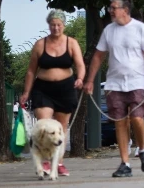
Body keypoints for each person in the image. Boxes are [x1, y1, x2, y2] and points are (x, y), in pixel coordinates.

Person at [85, 0, 144, 178]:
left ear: (125, 10)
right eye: (110, 7)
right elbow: (98, 56)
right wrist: (90, 80)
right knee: (120, 123)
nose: (110, 11)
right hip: (114, 84)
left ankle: (142, 149)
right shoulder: (109, 30)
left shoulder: (141, 29)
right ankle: (125, 163)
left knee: (137, 119)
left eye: (113, 8)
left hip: (137, 81)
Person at [20, 10, 86, 177]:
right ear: (49, 26)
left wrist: (80, 78)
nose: (56, 28)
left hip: (65, 88)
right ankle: (45, 162)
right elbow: (30, 71)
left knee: (61, 128)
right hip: (43, 89)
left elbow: (80, 65)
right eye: (52, 25)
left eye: (59, 25)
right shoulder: (40, 45)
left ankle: (59, 162)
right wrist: (26, 92)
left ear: (63, 25)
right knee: (45, 125)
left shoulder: (71, 43)